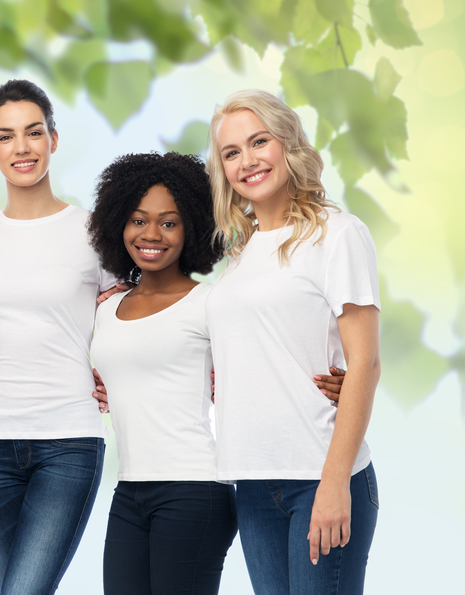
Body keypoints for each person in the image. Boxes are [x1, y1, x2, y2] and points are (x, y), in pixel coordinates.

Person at [205, 89, 381, 594]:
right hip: (253, 480)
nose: (247, 161)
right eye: (231, 153)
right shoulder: (239, 254)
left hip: (319, 474)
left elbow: (364, 362)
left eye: (259, 142)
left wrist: (334, 483)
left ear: (288, 143)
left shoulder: (336, 234)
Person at [0, 79, 114, 594]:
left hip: (68, 440)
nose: (21, 147)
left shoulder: (94, 233)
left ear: (53, 139)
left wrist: (114, 374)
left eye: (33, 133)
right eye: (6, 136)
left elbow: (128, 316)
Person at [87, 152, 237, 595]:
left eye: (169, 222)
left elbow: (259, 360)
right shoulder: (108, 307)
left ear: (191, 226)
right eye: (138, 220)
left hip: (193, 490)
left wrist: (340, 377)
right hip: (129, 490)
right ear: (118, 223)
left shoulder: (210, 303)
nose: (151, 234)